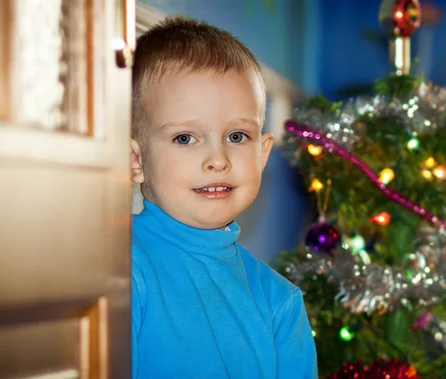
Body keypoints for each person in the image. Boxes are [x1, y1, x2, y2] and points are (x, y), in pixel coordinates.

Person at [130, 15, 317, 379]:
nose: (218, 160)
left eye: (237, 136)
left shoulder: (280, 303)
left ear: (262, 154)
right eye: (185, 138)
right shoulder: (118, 269)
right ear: (136, 160)